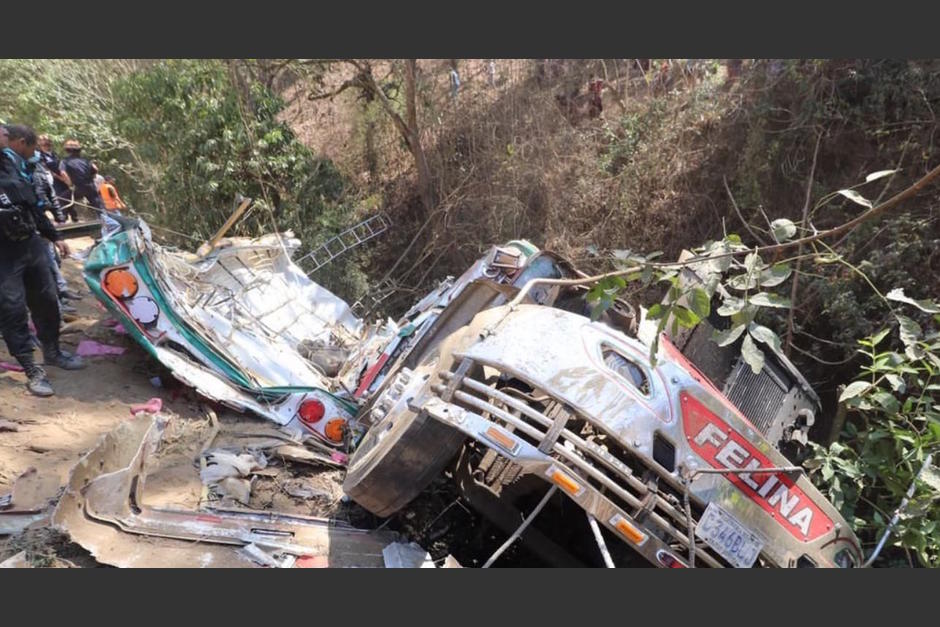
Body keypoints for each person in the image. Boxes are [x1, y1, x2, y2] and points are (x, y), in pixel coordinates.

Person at [1, 124, 85, 397]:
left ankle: (53, 350)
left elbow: (32, 205)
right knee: (12, 310)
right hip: (3, 255)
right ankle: (31, 369)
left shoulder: (13, 165)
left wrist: (54, 236)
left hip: (30, 243)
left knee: (48, 300)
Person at [59, 139, 102, 218]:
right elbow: (95, 169)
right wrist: (90, 177)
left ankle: (62, 220)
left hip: (78, 188)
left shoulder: (65, 161)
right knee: (98, 206)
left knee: (62, 199)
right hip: (90, 186)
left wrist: (70, 184)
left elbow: (63, 173)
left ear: (67, 151)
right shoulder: (85, 161)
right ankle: (106, 220)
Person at [37, 135, 75, 222]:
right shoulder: (40, 156)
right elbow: (47, 170)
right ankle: (62, 219)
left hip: (63, 179)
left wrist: (66, 179)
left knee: (69, 198)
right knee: (59, 199)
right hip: (53, 181)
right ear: (40, 143)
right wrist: (60, 178)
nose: (47, 145)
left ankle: (74, 217)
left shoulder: (54, 154)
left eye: (48, 142)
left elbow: (61, 167)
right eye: (44, 142)